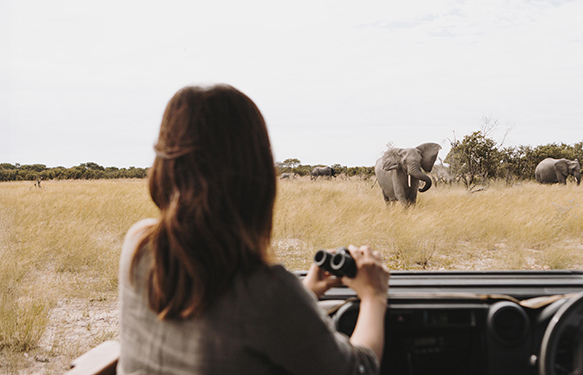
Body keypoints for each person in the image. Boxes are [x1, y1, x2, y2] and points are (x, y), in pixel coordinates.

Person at [118, 84, 389, 374]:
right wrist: (374, 295)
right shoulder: (266, 292)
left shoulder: (138, 243)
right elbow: (357, 369)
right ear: (256, 175)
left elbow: (218, 319)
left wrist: (305, 292)